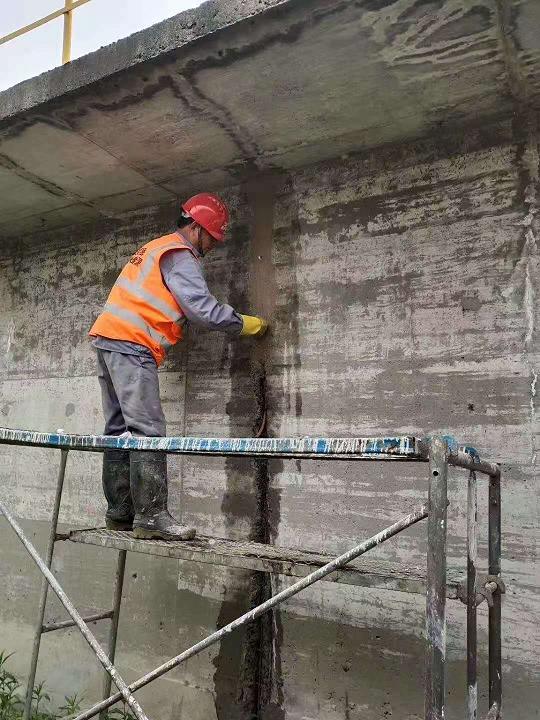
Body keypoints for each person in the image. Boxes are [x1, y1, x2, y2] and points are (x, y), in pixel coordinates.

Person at [89, 193, 268, 541]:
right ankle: (152, 517)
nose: (214, 246)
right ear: (197, 228)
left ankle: (120, 513)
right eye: (213, 238)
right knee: (148, 432)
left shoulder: (156, 247)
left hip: (109, 340)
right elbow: (202, 310)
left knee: (118, 431)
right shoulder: (179, 254)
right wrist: (247, 324)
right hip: (133, 343)